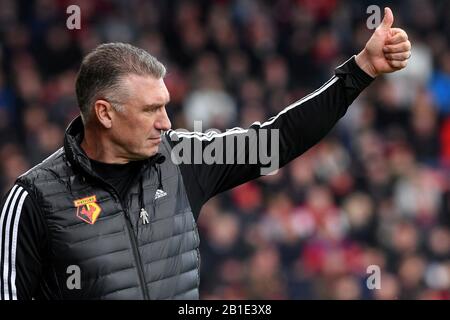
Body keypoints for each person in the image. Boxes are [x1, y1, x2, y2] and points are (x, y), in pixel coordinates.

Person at [0, 8, 411, 300]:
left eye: (165, 105)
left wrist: (361, 70)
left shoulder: (182, 160)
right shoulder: (34, 199)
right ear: (104, 113)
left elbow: (279, 138)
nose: (165, 122)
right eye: (150, 110)